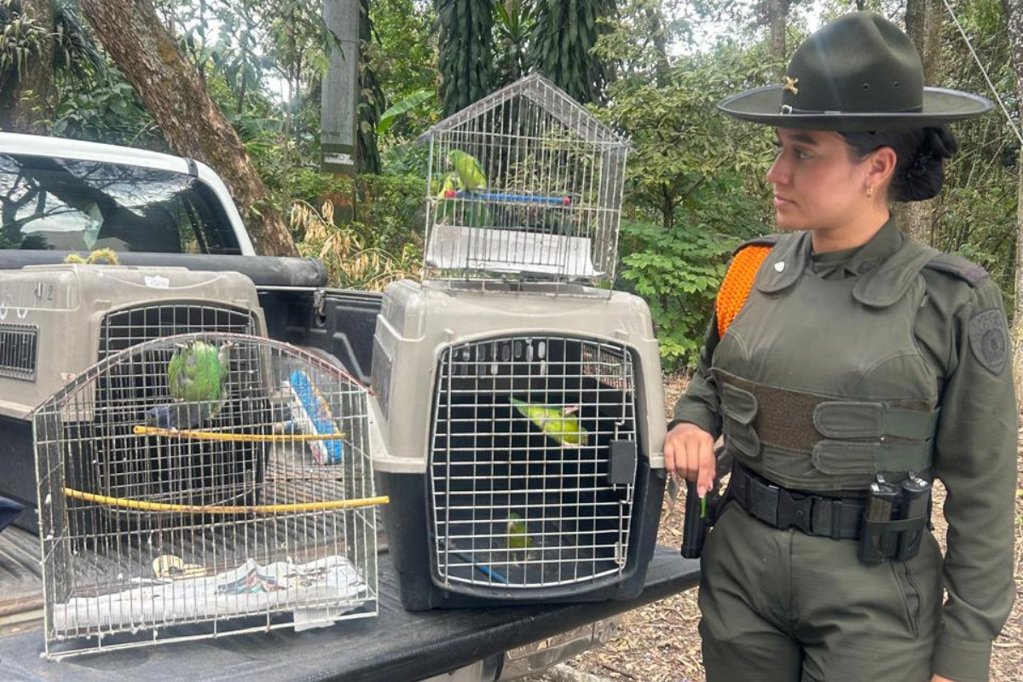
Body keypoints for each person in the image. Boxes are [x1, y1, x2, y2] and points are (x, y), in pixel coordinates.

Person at [665, 12, 1016, 682]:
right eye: (778, 149)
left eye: (803, 151)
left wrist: (962, 653)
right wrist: (689, 419)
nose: (775, 172)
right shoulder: (752, 269)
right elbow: (713, 379)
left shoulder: (949, 301)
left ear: (875, 167)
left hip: (873, 600)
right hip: (739, 578)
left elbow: (983, 494)